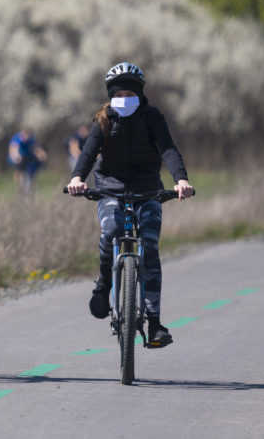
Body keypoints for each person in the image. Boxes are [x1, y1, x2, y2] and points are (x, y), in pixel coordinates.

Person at [66, 62, 194, 348]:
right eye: (118, 90)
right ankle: (104, 283)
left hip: (147, 190)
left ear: (139, 92)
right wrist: (77, 177)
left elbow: (168, 149)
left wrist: (181, 180)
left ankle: (154, 322)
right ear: (111, 93)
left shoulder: (152, 117)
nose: (123, 95)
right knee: (110, 231)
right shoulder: (104, 119)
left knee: (149, 245)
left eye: (129, 90)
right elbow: (88, 152)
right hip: (110, 189)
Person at [7, 128, 47, 194]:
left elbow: (36, 148)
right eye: (24, 137)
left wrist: (42, 154)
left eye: (27, 137)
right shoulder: (16, 138)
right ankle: (19, 187)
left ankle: (28, 188)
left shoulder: (30, 139)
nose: (25, 138)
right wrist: (16, 157)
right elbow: (13, 149)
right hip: (17, 159)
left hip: (27, 159)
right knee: (19, 172)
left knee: (30, 173)